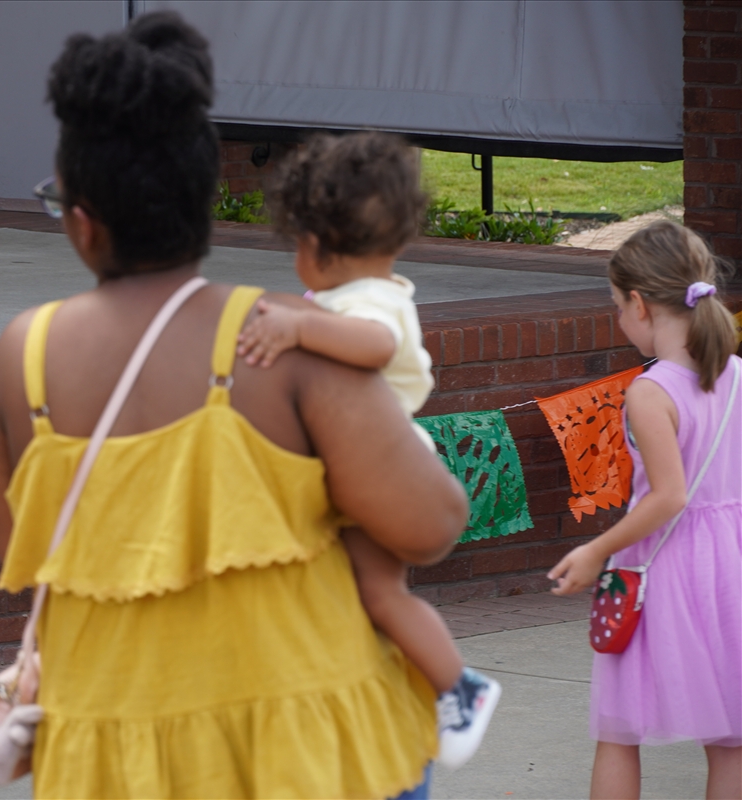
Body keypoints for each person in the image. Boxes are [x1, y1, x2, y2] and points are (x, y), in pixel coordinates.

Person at [0, 11, 469, 799]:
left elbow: (20, 557)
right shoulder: (284, 337)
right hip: (306, 749)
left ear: (83, 222)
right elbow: (430, 524)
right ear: (203, 204)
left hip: (113, 756)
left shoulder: (18, 361)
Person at [235, 131, 501, 769]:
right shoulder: (356, 295)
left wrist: (300, 326)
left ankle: (459, 685)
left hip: (385, 464)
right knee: (359, 589)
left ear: (316, 246)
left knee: (381, 591)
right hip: (371, 460)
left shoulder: (372, 303)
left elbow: (376, 345)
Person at [548, 221, 741, 800]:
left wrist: (595, 549)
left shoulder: (650, 392)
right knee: (731, 742)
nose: (618, 318)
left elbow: (669, 496)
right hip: (730, 566)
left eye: (616, 306)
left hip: (662, 570)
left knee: (619, 731)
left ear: (638, 304)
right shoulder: (736, 377)